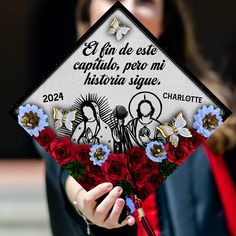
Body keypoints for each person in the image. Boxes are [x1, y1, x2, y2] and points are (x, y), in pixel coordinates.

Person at [32, 0, 236, 236]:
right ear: (87, 15)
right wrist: (85, 200)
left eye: (145, 1)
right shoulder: (62, 110)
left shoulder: (210, 108)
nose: (128, 11)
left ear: (166, 20)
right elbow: (65, 171)